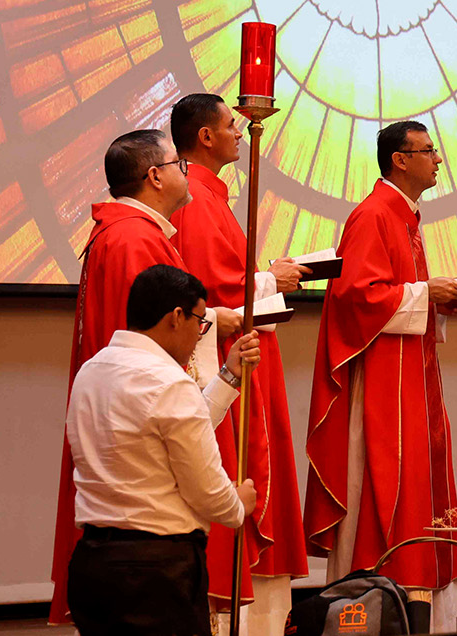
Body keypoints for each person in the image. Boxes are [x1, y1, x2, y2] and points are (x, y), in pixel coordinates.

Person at [49, 129, 236, 625]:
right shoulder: (135, 238)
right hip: (152, 553)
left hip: (107, 551)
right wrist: (236, 504)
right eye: (179, 163)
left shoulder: (127, 232)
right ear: (155, 176)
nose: (187, 171)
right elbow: (155, 338)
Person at [305, 120, 457, 631]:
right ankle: (376, 604)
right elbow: (356, 295)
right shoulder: (374, 214)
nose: (438, 159)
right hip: (383, 386)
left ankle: (422, 609)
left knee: (426, 483)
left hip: (412, 379)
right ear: (400, 159)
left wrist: (440, 302)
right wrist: (426, 294)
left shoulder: (406, 218)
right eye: (429, 151)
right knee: (386, 486)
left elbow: (396, 295)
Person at [168, 93, 310, 630]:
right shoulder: (199, 200)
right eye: (233, 125)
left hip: (244, 355)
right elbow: (213, 291)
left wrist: (269, 275)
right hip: (230, 359)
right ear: (205, 136)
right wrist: (272, 277)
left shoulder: (212, 196)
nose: (239, 133)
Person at [65, 264, 261, 636]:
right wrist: (238, 506)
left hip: (93, 562)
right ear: (176, 317)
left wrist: (229, 375)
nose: (198, 334)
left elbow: (167, 433)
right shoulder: (169, 381)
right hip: (156, 571)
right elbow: (206, 488)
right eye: (201, 322)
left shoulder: (90, 371)